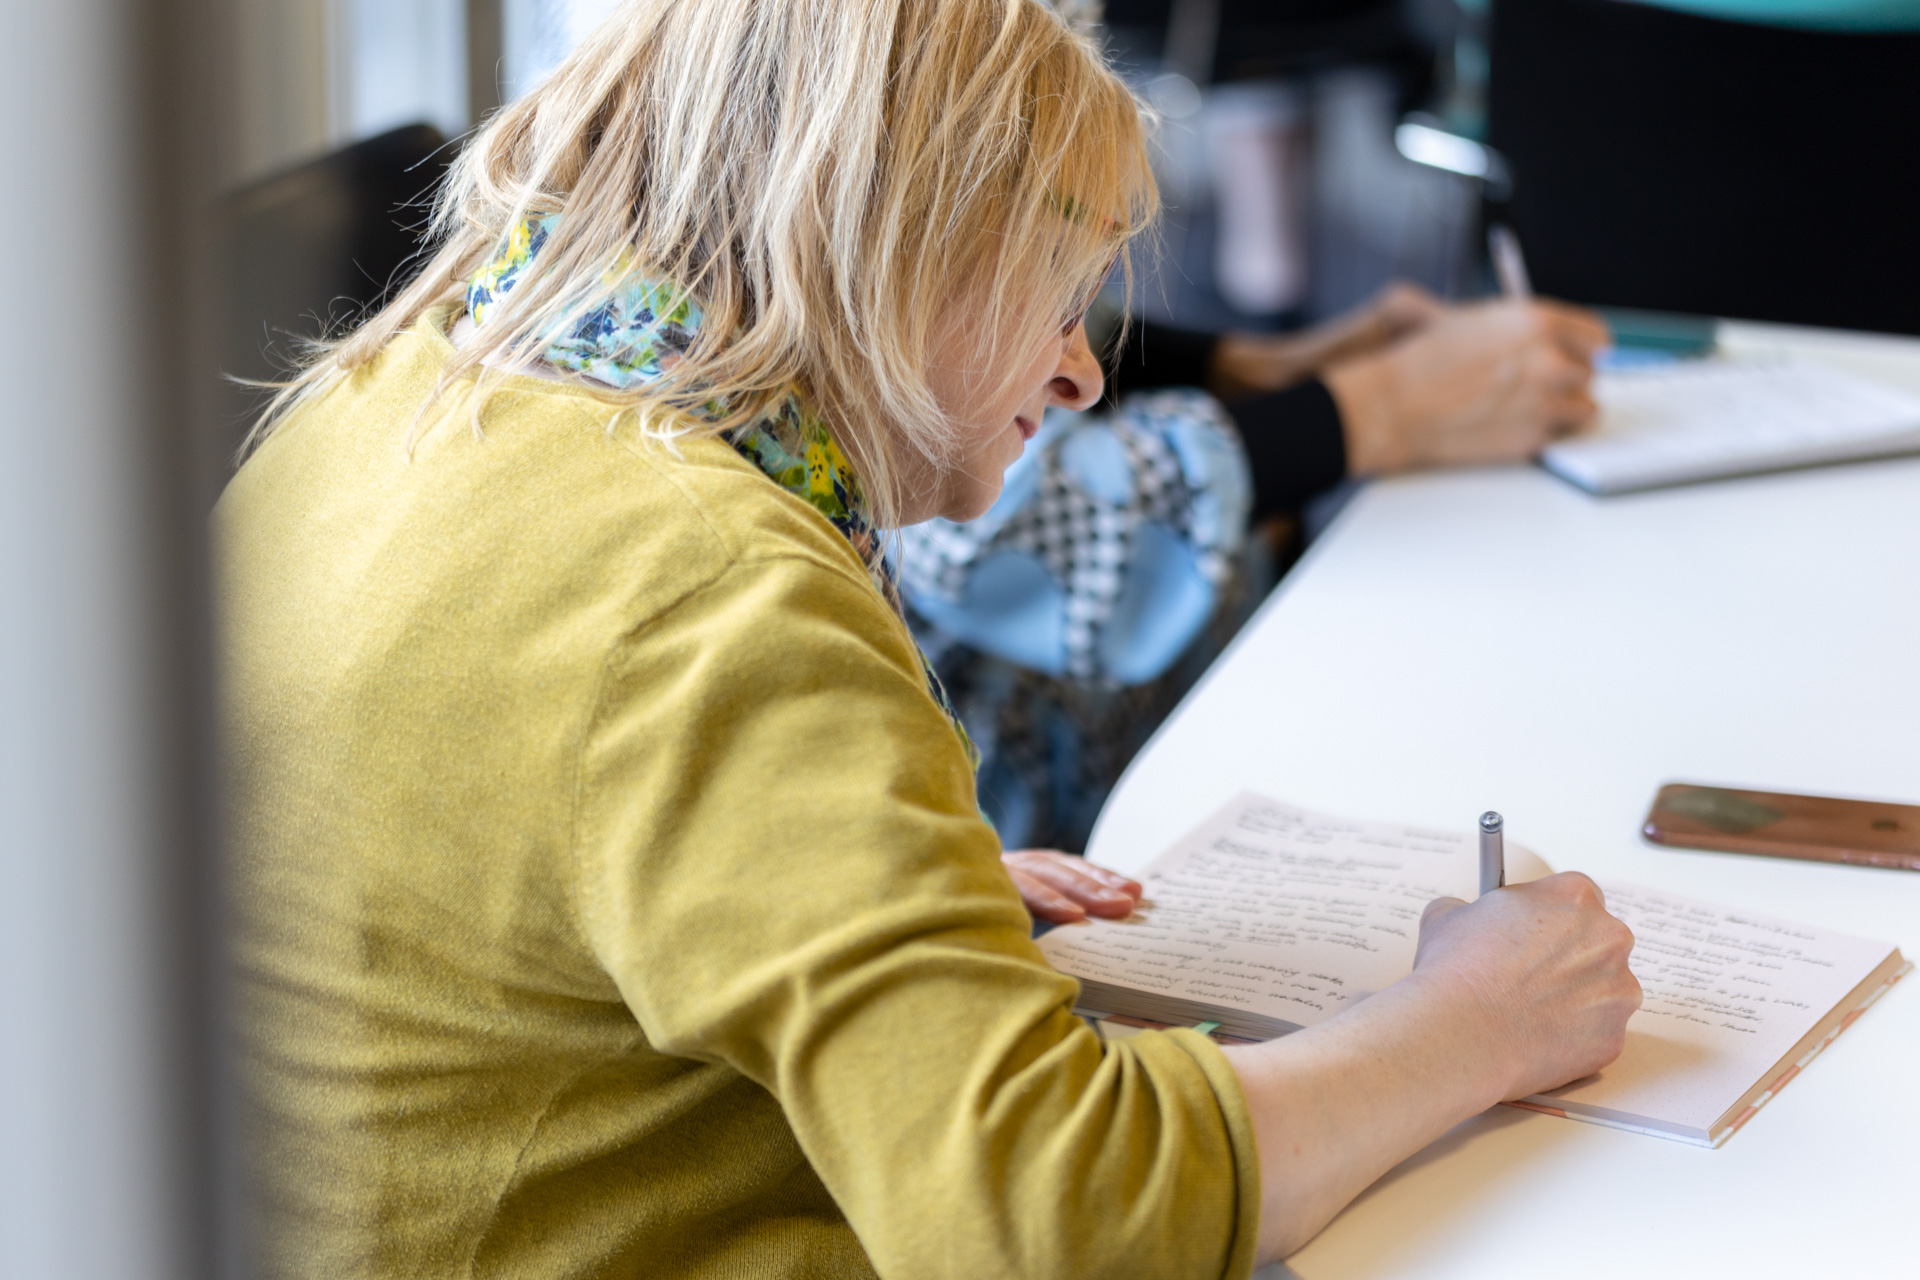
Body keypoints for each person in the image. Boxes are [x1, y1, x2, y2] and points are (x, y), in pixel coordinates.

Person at [218, 1, 1640, 1275]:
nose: (1084, 371)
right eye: (1063, 292)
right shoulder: (717, 596)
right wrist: (1477, 1022)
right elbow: (1057, 1218)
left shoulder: (387, 396)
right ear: (906, 248)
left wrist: (836, 886)